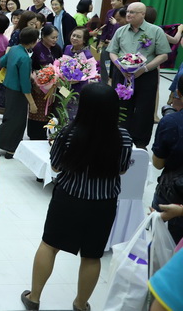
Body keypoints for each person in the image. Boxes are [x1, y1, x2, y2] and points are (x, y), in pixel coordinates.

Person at [21, 83, 133, 311]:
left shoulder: (68, 133)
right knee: (92, 256)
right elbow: (121, 170)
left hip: (69, 199)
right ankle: (81, 304)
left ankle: (34, 298)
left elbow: (55, 167)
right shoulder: (123, 137)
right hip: (103, 204)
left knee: (49, 245)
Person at [107, 2, 170, 148]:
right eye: (128, 12)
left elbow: (163, 55)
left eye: (133, 12)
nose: (128, 14)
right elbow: (112, 52)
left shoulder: (155, 31)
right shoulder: (121, 31)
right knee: (121, 107)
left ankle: (140, 143)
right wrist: (120, 67)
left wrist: (144, 69)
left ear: (143, 14)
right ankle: (119, 137)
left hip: (145, 74)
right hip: (122, 74)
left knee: (144, 109)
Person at [0, 28, 40, 158]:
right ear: (33, 42)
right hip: (19, 93)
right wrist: (32, 103)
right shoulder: (25, 58)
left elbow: (2, 61)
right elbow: (24, 84)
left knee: (9, 118)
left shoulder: (14, 49)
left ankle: (4, 145)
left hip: (8, 88)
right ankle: (8, 147)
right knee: (18, 121)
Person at [151, 74, 183, 244]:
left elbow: (158, 163)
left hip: (171, 195)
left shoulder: (171, 122)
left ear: (179, 93)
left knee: (163, 248)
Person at [27, 26, 63, 140]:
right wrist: (35, 83)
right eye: (52, 37)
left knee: (51, 111)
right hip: (38, 85)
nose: (55, 40)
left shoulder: (57, 48)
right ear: (43, 36)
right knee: (38, 112)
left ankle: (49, 134)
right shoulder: (36, 48)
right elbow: (30, 67)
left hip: (54, 86)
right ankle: (35, 135)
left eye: (56, 37)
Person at [63, 26, 96, 121]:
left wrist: (73, 80)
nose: (74, 38)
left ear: (84, 40)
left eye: (78, 37)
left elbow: (88, 75)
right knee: (63, 109)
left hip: (77, 89)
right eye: (73, 35)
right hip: (64, 86)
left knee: (73, 114)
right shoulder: (67, 48)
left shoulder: (87, 55)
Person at [99, 0, 128, 84]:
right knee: (104, 64)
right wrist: (101, 40)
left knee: (115, 67)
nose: (111, 3)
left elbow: (125, 28)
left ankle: (115, 85)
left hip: (119, 46)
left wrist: (116, 24)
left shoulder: (126, 13)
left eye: (113, 0)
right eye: (111, 1)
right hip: (107, 44)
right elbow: (106, 27)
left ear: (120, 1)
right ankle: (104, 84)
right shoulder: (110, 12)